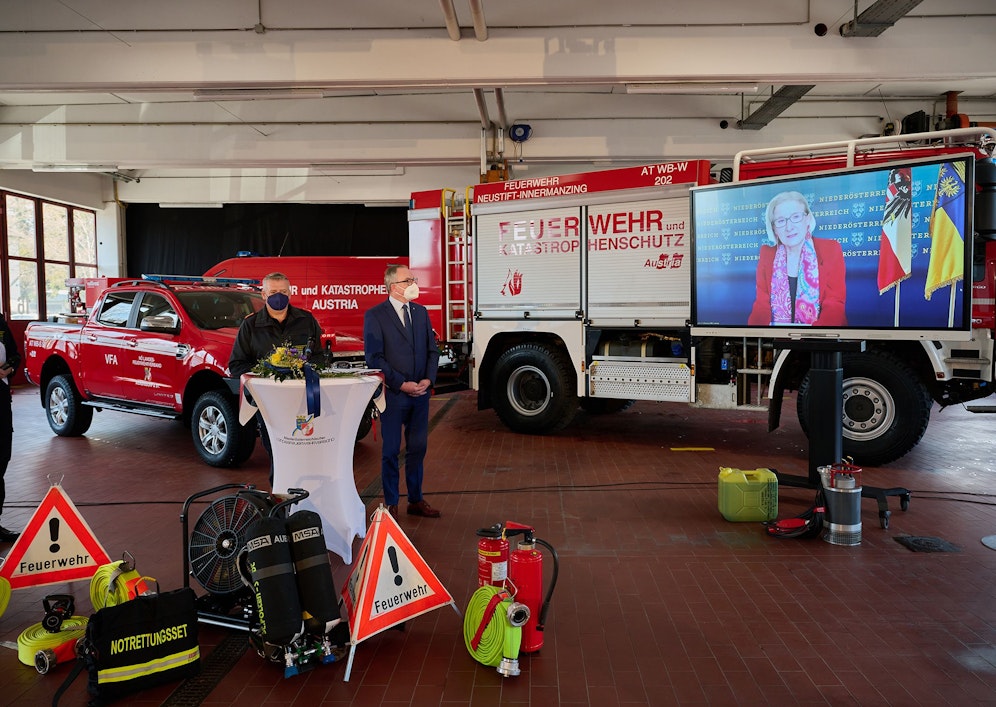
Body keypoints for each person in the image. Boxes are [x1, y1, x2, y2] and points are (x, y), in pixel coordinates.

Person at [228, 272, 323, 485]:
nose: (278, 296)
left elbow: (320, 356)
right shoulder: (250, 326)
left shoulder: (306, 320)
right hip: (270, 403)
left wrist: (307, 368)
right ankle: (281, 500)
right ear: (263, 294)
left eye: (283, 292)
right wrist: (268, 373)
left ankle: (307, 496)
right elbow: (236, 365)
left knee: (307, 449)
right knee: (278, 452)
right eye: (273, 292)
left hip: (304, 400)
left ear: (290, 293)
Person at [363, 264, 441, 519]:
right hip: (395, 395)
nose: (413, 283)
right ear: (393, 286)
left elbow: (432, 350)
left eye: (413, 279)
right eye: (408, 280)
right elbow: (374, 357)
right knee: (391, 450)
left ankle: (416, 500)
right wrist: (400, 383)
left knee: (418, 448)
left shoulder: (420, 312)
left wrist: (428, 380)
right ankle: (392, 502)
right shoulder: (375, 315)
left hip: (420, 395)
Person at [748, 190, 847, 326]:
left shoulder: (830, 249)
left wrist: (809, 338)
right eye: (781, 221)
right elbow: (761, 304)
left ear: (807, 219)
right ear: (774, 228)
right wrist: (753, 336)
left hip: (821, 341)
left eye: (796, 217)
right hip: (777, 341)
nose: (789, 227)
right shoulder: (767, 254)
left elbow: (834, 303)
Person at [0, 312, 20, 542]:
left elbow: (14, 355)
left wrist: (6, 369)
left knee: (1, 460)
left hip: (1, 400)